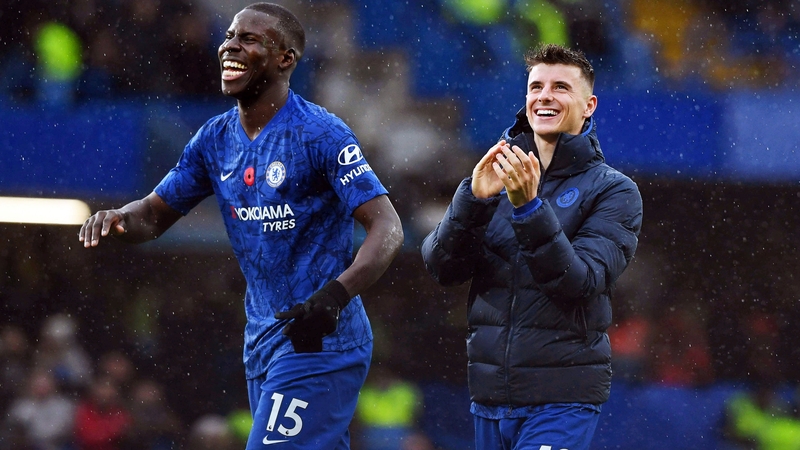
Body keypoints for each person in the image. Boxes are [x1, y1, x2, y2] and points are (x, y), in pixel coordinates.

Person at [78, 3, 404, 449]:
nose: (230, 45)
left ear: (285, 59)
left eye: (249, 39)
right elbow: (153, 215)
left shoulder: (320, 134)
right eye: (230, 35)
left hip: (322, 343)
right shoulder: (214, 139)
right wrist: (118, 218)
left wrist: (336, 296)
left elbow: (388, 228)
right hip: (263, 344)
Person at [420, 44, 643, 450]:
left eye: (561, 87)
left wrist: (529, 209)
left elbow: (580, 283)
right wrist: (473, 200)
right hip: (489, 397)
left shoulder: (614, 191)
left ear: (588, 105)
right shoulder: (492, 177)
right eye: (536, 86)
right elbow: (442, 268)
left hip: (562, 397)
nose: (545, 95)